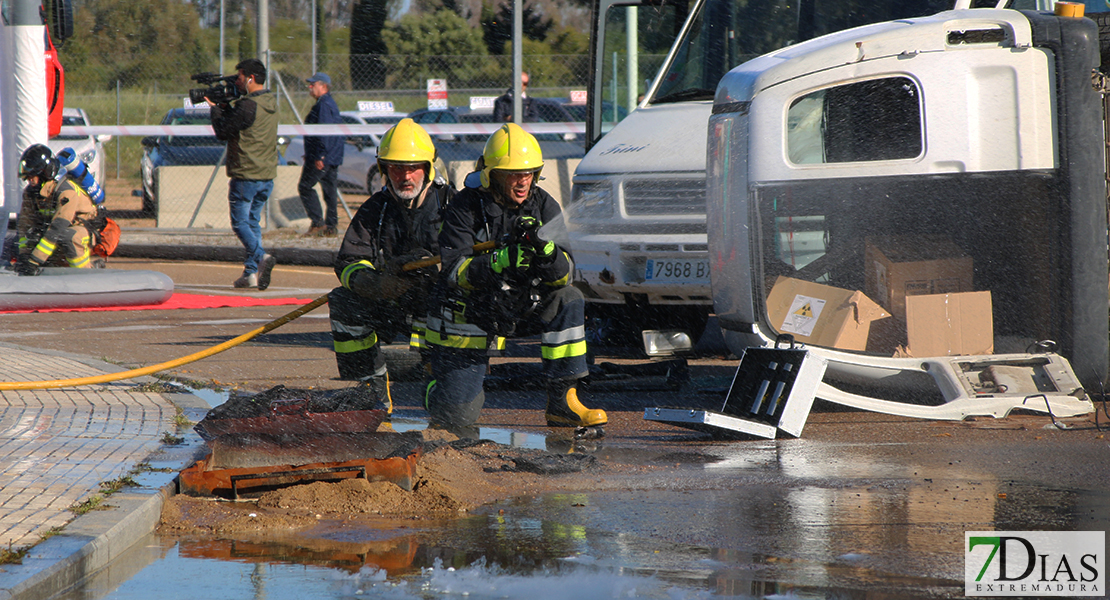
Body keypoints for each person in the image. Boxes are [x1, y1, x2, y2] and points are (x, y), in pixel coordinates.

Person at [423, 123, 607, 434]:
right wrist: (497, 262)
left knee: (569, 299)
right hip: (474, 312)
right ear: (492, 174)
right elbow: (453, 271)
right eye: (512, 174)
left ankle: (564, 401)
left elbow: (567, 274)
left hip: (523, 306)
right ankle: (437, 386)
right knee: (455, 418)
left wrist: (548, 256)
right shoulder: (464, 207)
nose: (522, 181)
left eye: (529, 172)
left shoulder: (544, 203)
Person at [328, 118, 456, 407]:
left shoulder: (452, 207)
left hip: (441, 305)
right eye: (396, 168)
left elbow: (470, 263)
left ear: (428, 167)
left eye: (412, 168)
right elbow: (350, 261)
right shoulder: (376, 208)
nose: (405, 176)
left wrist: (435, 273)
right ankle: (371, 390)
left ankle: (442, 384)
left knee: (451, 412)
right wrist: (376, 284)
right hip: (393, 302)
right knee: (344, 301)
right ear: (385, 170)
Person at [208, 58, 279, 290]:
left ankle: (261, 258)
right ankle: (250, 273)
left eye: (239, 77)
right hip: (266, 174)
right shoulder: (270, 102)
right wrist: (226, 107)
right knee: (252, 222)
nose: (237, 82)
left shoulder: (248, 105)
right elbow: (241, 122)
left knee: (240, 223)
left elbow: (223, 131)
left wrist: (215, 109)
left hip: (246, 173)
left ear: (250, 78)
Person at [11, 144, 105, 275]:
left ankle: (87, 274)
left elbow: (57, 227)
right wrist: (23, 256)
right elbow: (24, 225)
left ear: (44, 173)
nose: (29, 181)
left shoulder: (66, 191)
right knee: (20, 240)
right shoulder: (31, 193)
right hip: (55, 230)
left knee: (69, 236)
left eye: (32, 176)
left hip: (81, 230)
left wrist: (34, 261)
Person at [298, 72, 343, 237]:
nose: (310, 87)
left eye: (313, 84)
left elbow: (325, 131)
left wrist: (320, 156)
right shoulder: (328, 103)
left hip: (324, 157)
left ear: (323, 86)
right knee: (329, 191)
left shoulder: (323, 105)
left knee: (305, 187)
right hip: (331, 156)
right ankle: (331, 226)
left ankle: (318, 224)